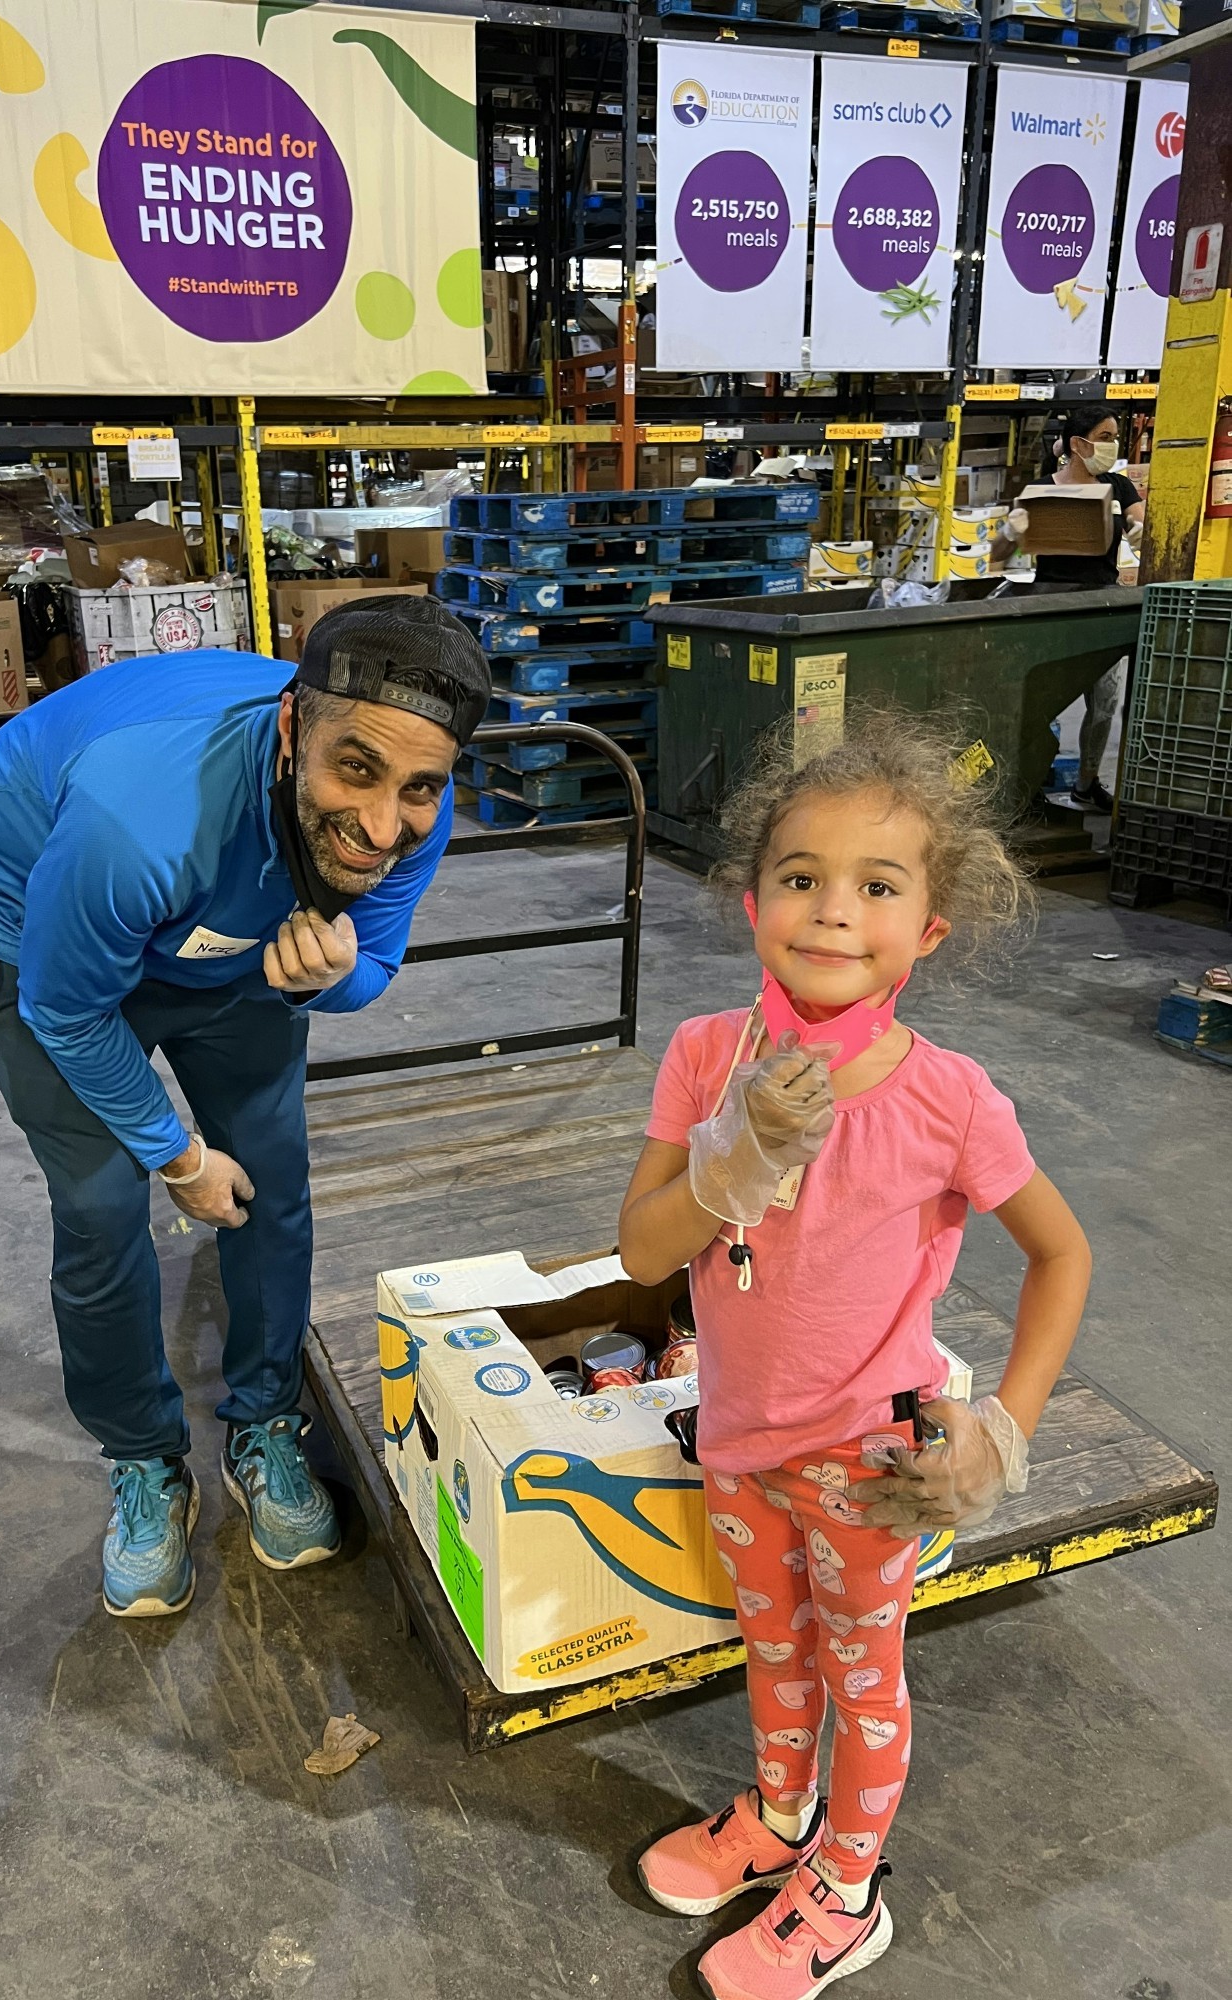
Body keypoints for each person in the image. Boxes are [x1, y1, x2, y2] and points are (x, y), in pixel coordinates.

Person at [618, 713, 1091, 2000]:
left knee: (861, 1670)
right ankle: (779, 1817)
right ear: (752, 896)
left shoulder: (949, 1099)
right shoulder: (708, 1054)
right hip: (737, 1433)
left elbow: (1063, 1256)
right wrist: (733, 1157)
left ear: (927, 929)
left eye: (876, 886)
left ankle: (850, 1882)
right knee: (770, 1648)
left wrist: (1004, 1427)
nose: (832, 912)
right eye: (801, 877)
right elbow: (645, 1246)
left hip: (868, 1455)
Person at [0, 596, 491, 1616]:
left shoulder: (413, 807)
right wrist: (178, 1153)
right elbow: (66, 1010)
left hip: (239, 937)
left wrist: (324, 980)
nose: (383, 825)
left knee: (273, 1174)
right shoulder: (133, 822)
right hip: (46, 929)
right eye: (357, 770)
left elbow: (370, 959)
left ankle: (265, 1419)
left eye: (418, 787)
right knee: (106, 1205)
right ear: (293, 728)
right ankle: (143, 1456)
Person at [993, 401, 1144, 814]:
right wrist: (1012, 530)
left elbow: (1140, 525)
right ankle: (1029, 778)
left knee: (1104, 704)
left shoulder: (1119, 487)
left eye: (1115, 438)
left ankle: (1086, 784)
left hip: (1102, 606)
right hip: (1052, 608)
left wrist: (1139, 530)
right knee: (1040, 701)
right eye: (1105, 438)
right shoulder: (1041, 489)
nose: (1113, 446)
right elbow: (1000, 552)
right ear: (1078, 443)